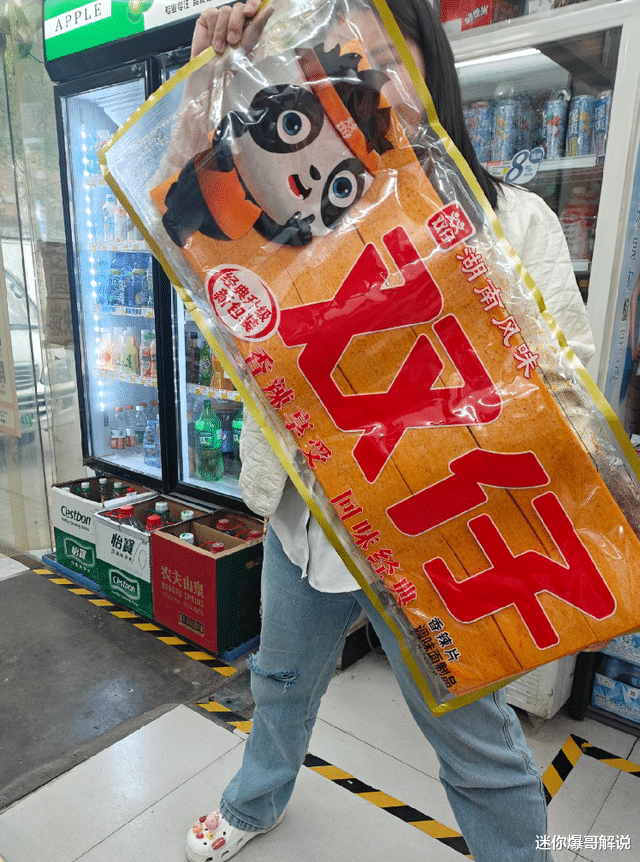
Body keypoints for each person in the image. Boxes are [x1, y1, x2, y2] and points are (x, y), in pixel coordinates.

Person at [185, 2, 596, 861]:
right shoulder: (290, 217)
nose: (363, 80)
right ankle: (255, 801)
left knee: (474, 735)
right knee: (282, 680)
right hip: (311, 520)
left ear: (431, 74)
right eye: (342, 61)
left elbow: (574, 398)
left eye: (385, 59)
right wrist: (207, 81)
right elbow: (191, 240)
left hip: (436, 532)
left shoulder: (514, 219)